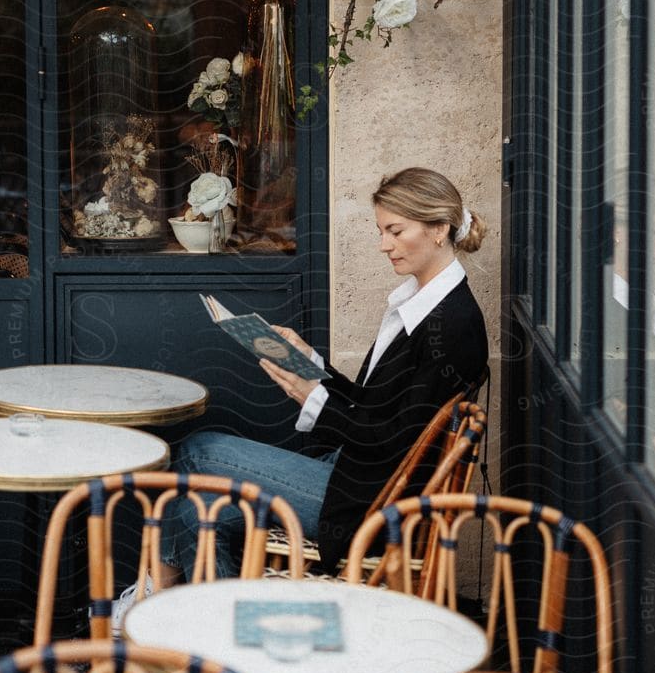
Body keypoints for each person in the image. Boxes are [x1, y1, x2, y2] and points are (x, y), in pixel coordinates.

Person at [135, 167, 489, 609]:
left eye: (395, 231)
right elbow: (377, 407)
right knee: (191, 510)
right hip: (357, 476)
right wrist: (312, 363)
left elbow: (392, 442)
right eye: (382, 231)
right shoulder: (426, 304)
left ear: (439, 228)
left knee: (198, 448)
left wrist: (314, 400)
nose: (384, 245)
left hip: (373, 503)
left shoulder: (452, 325)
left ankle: (151, 594)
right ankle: (223, 644)